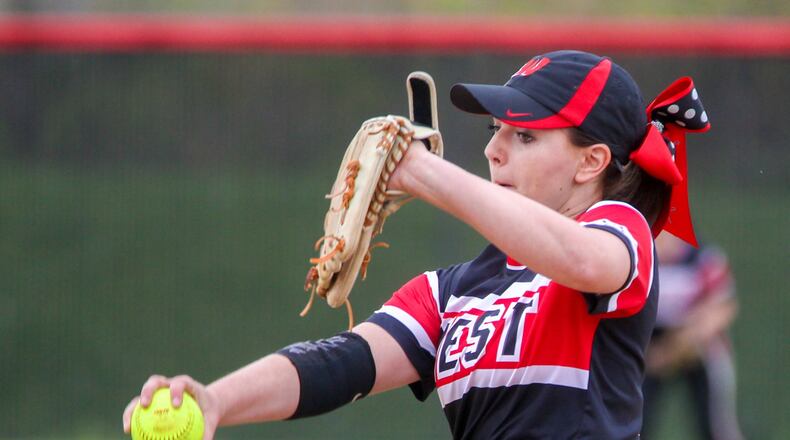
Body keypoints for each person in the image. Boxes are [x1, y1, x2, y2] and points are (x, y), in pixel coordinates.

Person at [122, 50, 711, 439]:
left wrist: (422, 173)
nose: (494, 150)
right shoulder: (455, 291)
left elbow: (579, 258)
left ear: (592, 162)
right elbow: (341, 363)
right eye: (495, 131)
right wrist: (217, 402)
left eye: (525, 136)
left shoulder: (622, 235)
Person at [641, 232, 743, 440]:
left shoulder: (704, 259)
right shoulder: (640, 259)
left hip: (700, 352)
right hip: (650, 355)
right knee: (636, 422)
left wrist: (672, 350)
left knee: (715, 426)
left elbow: (722, 310)